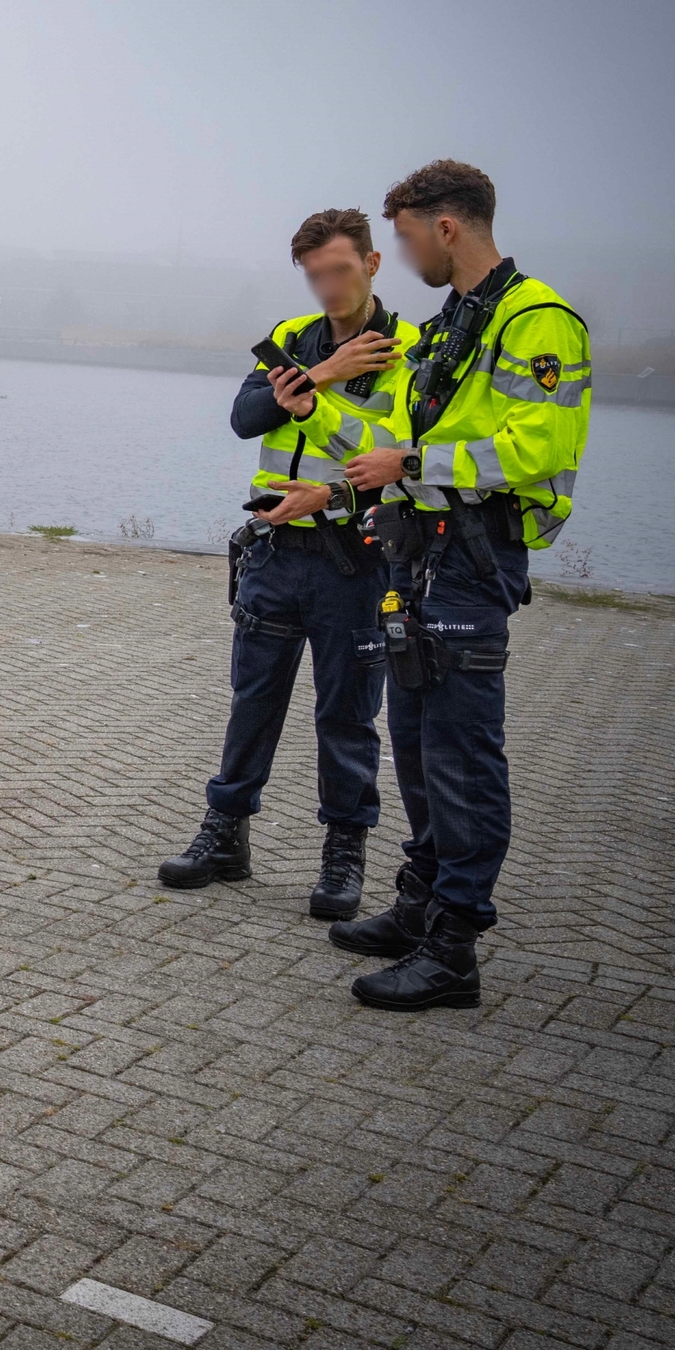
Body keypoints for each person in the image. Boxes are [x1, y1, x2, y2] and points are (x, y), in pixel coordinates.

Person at [262, 160, 588, 1010]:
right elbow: (390, 443)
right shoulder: (452, 326)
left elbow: (539, 447)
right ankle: (419, 904)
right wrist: (319, 440)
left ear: (446, 226)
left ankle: (455, 946)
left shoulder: (536, 321)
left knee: (461, 751)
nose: (401, 256)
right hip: (417, 554)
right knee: (411, 735)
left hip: (475, 559)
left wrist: (407, 461)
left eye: (403, 238)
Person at [157, 210, 419, 920]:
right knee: (254, 701)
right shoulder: (289, 341)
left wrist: (326, 476)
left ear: (371, 262)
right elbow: (246, 417)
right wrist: (325, 369)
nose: (328, 287)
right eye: (314, 275)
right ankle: (226, 835)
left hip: (353, 557)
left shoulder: (410, 351)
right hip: (275, 551)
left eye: (339, 270)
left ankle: (344, 852)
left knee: (346, 714)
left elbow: (400, 454)